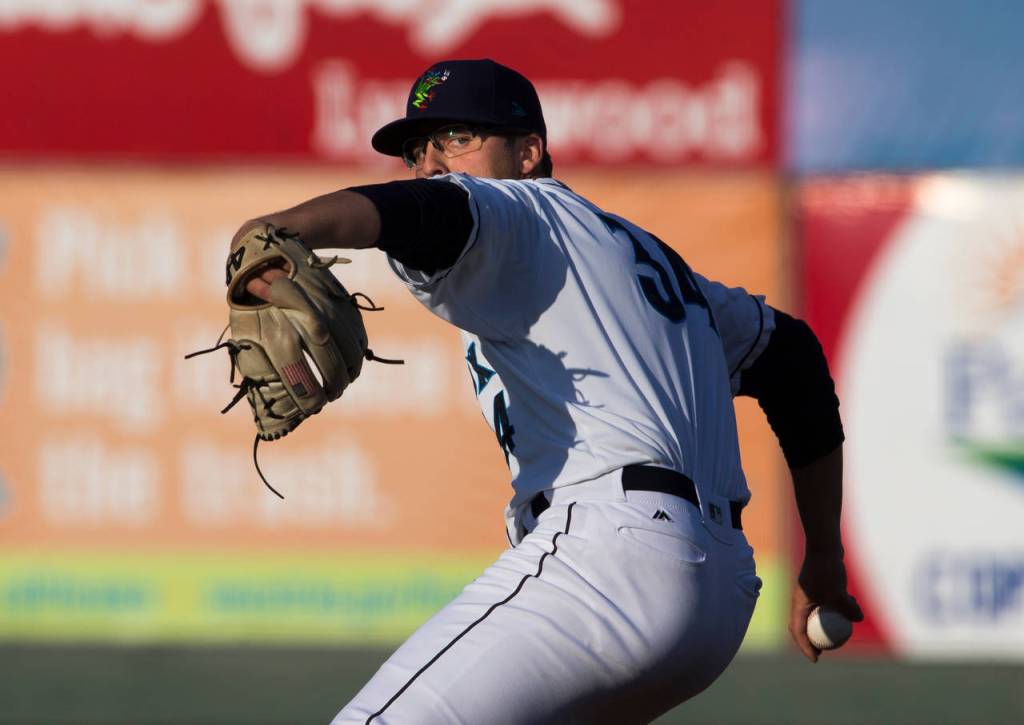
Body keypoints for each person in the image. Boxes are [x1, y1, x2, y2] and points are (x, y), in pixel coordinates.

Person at [236, 59, 863, 724]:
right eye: (419, 150)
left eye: (454, 138)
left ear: (529, 151)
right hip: (715, 600)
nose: (431, 163)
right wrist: (823, 553)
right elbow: (792, 357)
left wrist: (284, 229)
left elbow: (424, 208)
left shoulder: (516, 211)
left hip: (610, 559)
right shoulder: (632, 256)